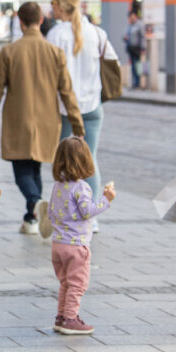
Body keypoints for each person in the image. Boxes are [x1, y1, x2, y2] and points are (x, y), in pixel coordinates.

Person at [0, 1, 84, 234]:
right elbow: (67, 91)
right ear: (41, 20)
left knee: (22, 170)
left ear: (20, 22)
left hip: (19, 119)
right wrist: (77, 122)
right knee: (36, 167)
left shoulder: (9, 51)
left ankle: (34, 203)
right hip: (47, 120)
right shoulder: (55, 52)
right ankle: (31, 218)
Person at [47, 0, 118, 233]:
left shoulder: (55, 34)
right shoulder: (97, 33)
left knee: (66, 162)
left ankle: (67, 211)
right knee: (91, 159)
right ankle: (92, 214)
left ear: (59, 5)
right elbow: (113, 63)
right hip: (92, 105)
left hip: (66, 108)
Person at [47, 137, 116, 334]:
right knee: (78, 284)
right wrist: (106, 199)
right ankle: (70, 319)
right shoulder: (81, 187)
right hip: (76, 245)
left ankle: (61, 317)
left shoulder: (58, 185)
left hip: (58, 244)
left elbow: (51, 212)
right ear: (85, 161)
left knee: (65, 283)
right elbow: (88, 211)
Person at [123, 10, 145, 89]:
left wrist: (143, 48)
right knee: (132, 66)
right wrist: (125, 38)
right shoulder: (129, 26)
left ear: (135, 16)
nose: (131, 18)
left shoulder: (139, 25)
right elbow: (125, 35)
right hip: (130, 48)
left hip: (137, 49)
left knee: (137, 66)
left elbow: (142, 37)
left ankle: (137, 83)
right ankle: (134, 83)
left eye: (132, 16)